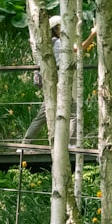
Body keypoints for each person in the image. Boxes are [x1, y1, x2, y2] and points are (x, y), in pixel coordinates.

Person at [23, 14, 97, 144]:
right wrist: (93, 34)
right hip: (58, 83)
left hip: (50, 82)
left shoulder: (47, 44)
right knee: (73, 112)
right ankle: (72, 144)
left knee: (43, 115)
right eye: (60, 27)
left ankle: (24, 144)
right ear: (56, 29)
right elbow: (80, 48)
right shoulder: (57, 43)